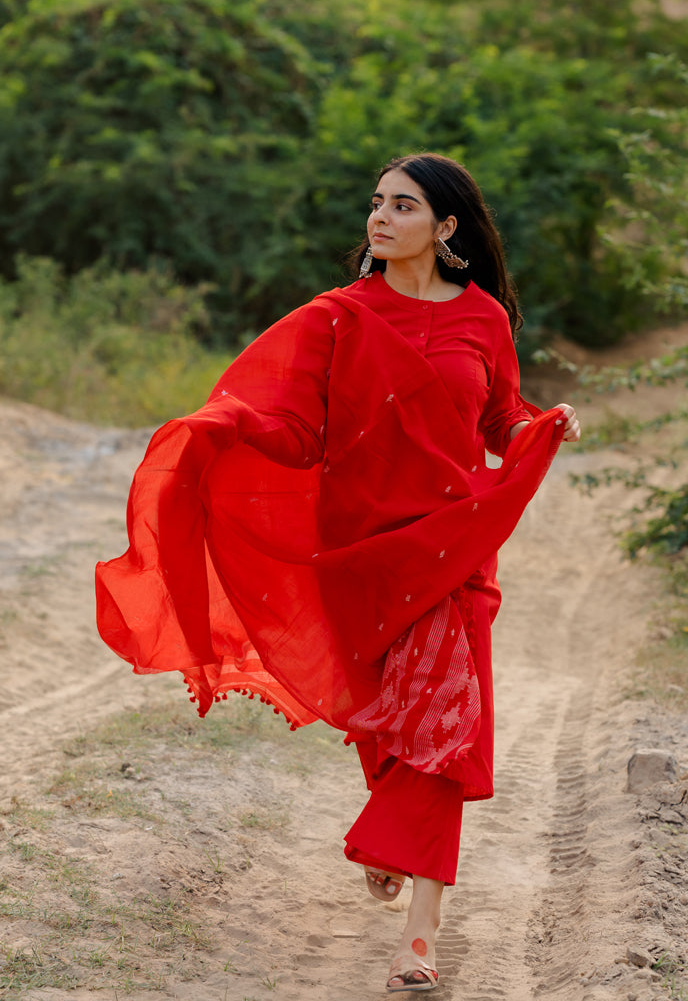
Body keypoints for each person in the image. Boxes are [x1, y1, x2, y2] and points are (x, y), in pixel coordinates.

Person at [96, 152, 580, 993]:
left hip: (449, 547)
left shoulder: (485, 320)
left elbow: (500, 416)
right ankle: (392, 829)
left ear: (447, 226)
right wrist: (230, 424)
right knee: (390, 720)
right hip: (357, 550)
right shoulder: (336, 319)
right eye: (376, 203)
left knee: (446, 725)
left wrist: (543, 427)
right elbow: (297, 433)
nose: (380, 218)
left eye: (403, 205)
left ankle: (419, 938)